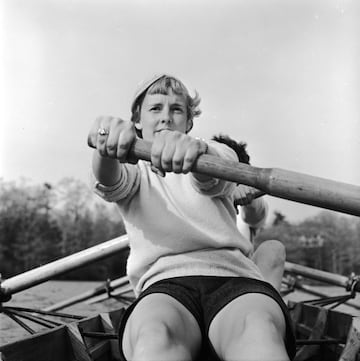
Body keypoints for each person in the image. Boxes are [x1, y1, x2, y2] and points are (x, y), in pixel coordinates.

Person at [88, 74, 295, 361]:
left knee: (257, 329)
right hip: (165, 288)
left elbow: (218, 168)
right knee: (154, 335)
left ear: (188, 123)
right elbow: (108, 181)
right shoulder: (134, 172)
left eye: (176, 110)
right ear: (137, 120)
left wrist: (198, 152)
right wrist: (105, 145)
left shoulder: (213, 153)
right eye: (155, 108)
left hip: (235, 282)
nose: (166, 118)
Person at [212, 135, 286, 292]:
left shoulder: (246, 205)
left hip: (238, 280)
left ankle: (268, 307)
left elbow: (256, 212)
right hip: (199, 274)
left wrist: (245, 194)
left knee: (274, 249)